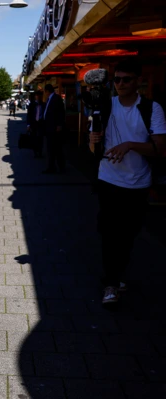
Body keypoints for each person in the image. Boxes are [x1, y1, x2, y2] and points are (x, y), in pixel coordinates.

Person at [89, 60, 166, 306]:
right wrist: (93, 140)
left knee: (128, 234)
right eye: (117, 79)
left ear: (138, 82)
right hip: (109, 178)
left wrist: (130, 145)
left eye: (126, 79)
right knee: (111, 232)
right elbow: (93, 148)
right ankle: (111, 284)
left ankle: (116, 275)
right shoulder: (105, 105)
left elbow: (160, 149)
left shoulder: (152, 109)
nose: (120, 84)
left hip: (138, 182)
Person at [42, 83, 66, 173]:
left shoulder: (56, 98)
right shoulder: (49, 99)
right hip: (49, 127)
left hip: (54, 127)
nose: (44, 93)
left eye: (45, 91)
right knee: (50, 148)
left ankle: (60, 166)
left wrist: (59, 125)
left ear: (47, 91)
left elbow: (60, 112)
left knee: (56, 148)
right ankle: (51, 167)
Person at [26, 91, 45, 158]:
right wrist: (28, 125)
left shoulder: (44, 104)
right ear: (35, 97)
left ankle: (40, 152)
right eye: (37, 96)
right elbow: (28, 115)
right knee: (34, 138)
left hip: (41, 124)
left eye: (40, 96)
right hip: (33, 124)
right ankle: (35, 152)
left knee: (40, 138)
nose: (39, 97)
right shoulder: (32, 105)